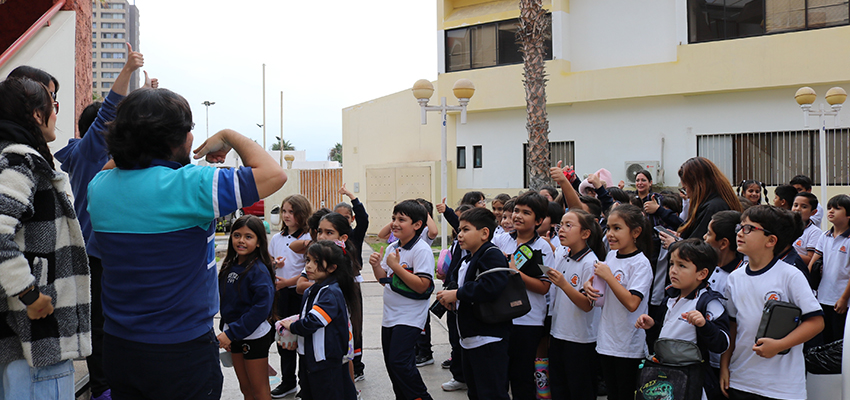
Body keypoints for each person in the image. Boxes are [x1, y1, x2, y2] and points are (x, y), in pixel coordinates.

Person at [87, 88, 286, 399]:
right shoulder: (191, 186)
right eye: (189, 130)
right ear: (172, 139)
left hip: (119, 348)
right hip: (180, 352)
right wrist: (229, 136)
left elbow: (117, 166)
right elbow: (274, 174)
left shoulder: (99, 188)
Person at [54, 44, 153, 400]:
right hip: (95, 254)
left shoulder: (98, 158)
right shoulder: (88, 152)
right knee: (101, 322)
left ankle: (116, 382)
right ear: (97, 130)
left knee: (117, 319)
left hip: (113, 250)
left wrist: (150, 97)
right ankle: (102, 387)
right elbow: (111, 109)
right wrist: (127, 69)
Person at [0, 77, 90, 400]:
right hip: (37, 341)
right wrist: (30, 294)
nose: (56, 113)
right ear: (37, 115)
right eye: (53, 104)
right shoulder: (20, 161)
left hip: (25, 340)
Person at [720, 205, 823, 400]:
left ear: (771, 240)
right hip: (741, 380)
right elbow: (733, 326)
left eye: (749, 228)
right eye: (740, 227)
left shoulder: (790, 276)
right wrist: (725, 366)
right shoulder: (734, 278)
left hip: (781, 387)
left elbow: (816, 322)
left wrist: (779, 345)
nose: (740, 233)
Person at [636, 239, 730, 400]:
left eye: (682, 266)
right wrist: (652, 327)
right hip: (665, 375)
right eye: (672, 264)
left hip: (692, 379)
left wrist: (704, 325)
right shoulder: (670, 298)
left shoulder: (708, 302)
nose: (673, 270)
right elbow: (661, 340)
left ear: (702, 274)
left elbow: (722, 343)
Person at [436, 208, 512, 400]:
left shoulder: (491, 254)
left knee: (491, 392)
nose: (459, 234)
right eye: (459, 230)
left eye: (466, 230)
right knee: (476, 392)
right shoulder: (468, 257)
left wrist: (458, 294)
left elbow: (492, 286)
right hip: (470, 339)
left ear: (485, 233)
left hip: (488, 339)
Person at [582, 204, 652, 400]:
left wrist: (609, 276)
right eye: (609, 228)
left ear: (636, 232)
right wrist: (590, 286)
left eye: (617, 228)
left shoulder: (640, 263)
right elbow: (603, 290)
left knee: (625, 394)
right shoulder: (612, 255)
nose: (610, 234)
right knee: (612, 393)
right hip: (606, 339)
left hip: (628, 344)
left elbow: (632, 303)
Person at [368, 200, 435, 400]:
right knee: (392, 363)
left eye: (401, 219)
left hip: (410, 317)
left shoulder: (421, 250)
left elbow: (423, 285)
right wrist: (376, 266)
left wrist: (396, 267)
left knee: (400, 363)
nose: (395, 223)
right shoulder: (393, 248)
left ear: (417, 225)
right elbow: (386, 281)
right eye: (393, 218)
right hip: (390, 317)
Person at [492, 191, 553, 400]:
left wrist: (516, 274)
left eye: (526, 213)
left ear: (539, 221)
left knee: (521, 377)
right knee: (499, 376)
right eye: (516, 210)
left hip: (528, 320)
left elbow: (544, 287)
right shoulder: (500, 241)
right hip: (500, 317)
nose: (517, 216)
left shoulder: (543, 248)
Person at [282, 241, 358, 400]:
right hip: (310, 358)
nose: (309, 266)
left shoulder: (330, 293)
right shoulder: (314, 289)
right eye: (308, 260)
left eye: (316, 262)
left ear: (332, 268)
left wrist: (293, 327)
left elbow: (312, 322)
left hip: (324, 361)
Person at [545, 209, 606, 400]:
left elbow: (588, 304)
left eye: (568, 225)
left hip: (580, 339)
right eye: (561, 225)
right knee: (558, 387)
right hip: (558, 333)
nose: (562, 230)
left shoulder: (590, 263)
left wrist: (563, 284)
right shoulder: (563, 254)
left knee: (580, 390)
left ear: (585, 233)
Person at [217, 216, 276, 400]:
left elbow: (260, 309)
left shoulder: (258, 271)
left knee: (259, 390)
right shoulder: (229, 266)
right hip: (234, 335)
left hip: (253, 336)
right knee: (246, 388)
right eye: (237, 235)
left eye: (248, 236)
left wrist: (231, 333)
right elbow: (228, 303)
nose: (241, 240)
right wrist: (227, 331)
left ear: (259, 242)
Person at [269, 194, 313, 398]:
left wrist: (287, 282)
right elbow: (269, 261)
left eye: (291, 212)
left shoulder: (308, 240)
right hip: (280, 296)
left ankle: (306, 383)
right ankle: (288, 382)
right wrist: (274, 265)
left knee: (303, 340)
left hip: (300, 294)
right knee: (284, 339)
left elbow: (310, 271)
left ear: (302, 214)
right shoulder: (277, 238)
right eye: (284, 211)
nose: (286, 215)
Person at [315, 212, 364, 386]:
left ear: (342, 237)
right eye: (319, 231)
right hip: (322, 315)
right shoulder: (317, 256)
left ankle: (349, 391)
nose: (321, 236)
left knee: (343, 357)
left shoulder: (342, 259)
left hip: (337, 317)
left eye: (329, 232)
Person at [809, 194, 850, 345]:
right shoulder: (824, 236)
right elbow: (813, 264)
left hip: (841, 299)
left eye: (837, 208)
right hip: (822, 296)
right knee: (825, 339)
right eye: (829, 208)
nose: (831, 211)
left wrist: (844, 298)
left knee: (839, 339)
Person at [671, 157, 742, 241]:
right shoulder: (718, 201)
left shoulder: (712, 208)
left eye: (685, 189)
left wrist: (673, 244)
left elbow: (698, 247)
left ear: (696, 186)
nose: (687, 195)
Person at [791, 192, 821, 266]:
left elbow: (810, 259)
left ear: (813, 212)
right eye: (795, 205)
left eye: (804, 207)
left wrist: (787, 252)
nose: (797, 209)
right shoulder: (785, 227)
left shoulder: (814, 232)